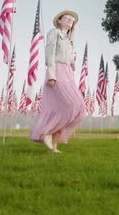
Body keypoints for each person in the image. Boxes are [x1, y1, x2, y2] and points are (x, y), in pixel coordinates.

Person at [30, 10, 85, 153]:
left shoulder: (67, 39)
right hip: (57, 70)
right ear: (59, 20)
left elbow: (71, 53)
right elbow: (50, 53)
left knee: (79, 108)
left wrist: (73, 32)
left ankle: (54, 146)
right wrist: (51, 75)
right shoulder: (54, 33)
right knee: (69, 105)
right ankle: (46, 132)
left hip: (67, 72)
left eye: (72, 20)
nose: (70, 21)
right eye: (67, 18)